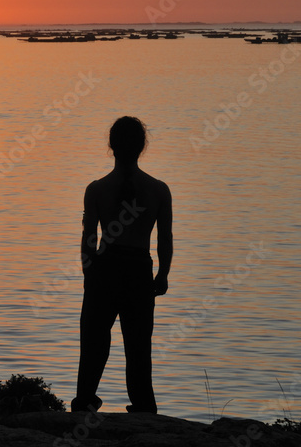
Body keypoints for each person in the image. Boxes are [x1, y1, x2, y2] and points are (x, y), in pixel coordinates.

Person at [72, 116, 173, 414]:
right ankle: (143, 408)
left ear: (111, 146)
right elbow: (164, 238)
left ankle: (84, 404)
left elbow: (88, 239)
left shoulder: (97, 189)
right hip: (139, 270)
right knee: (139, 346)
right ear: (142, 147)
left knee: (93, 343)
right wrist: (162, 274)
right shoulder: (158, 190)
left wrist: (89, 273)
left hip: (105, 268)